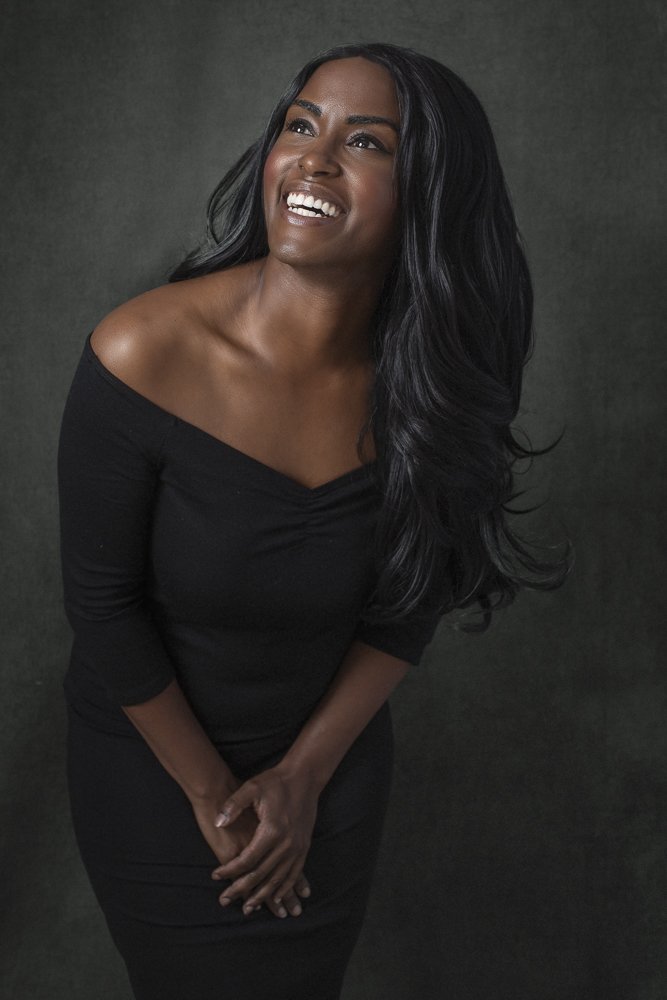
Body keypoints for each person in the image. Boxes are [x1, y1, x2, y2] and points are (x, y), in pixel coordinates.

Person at [57, 41, 566, 1000]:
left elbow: (407, 604)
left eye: (367, 142)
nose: (314, 159)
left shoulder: (436, 390)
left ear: (430, 193)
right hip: (157, 775)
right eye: (300, 126)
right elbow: (103, 607)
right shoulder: (142, 349)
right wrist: (219, 797)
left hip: (328, 779)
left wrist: (301, 782)